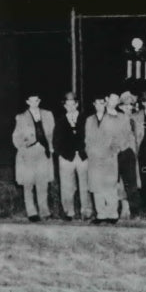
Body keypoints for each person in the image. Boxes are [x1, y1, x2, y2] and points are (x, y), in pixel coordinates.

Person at [11, 92, 54, 222]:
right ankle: (31, 212)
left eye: (37, 100)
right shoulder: (21, 117)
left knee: (42, 183)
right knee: (28, 183)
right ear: (28, 102)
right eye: (32, 101)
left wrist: (51, 146)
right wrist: (24, 146)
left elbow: (52, 133)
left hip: (43, 151)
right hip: (29, 152)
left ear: (39, 101)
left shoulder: (47, 115)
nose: (35, 103)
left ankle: (44, 211)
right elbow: (15, 137)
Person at [52, 91, 92, 221]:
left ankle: (86, 211)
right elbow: (56, 141)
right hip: (66, 158)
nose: (70, 107)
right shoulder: (60, 121)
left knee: (85, 185)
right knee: (67, 186)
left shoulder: (86, 119)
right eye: (67, 105)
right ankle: (68, 212)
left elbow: (90, 138)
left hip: (82, 157)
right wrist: (62, 154)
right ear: (64, 106)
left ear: (77, 104)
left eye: (73, 104)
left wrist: (86, 152)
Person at [84, 91, 122, 223]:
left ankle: (113, 214)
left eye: (102, 103)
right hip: (94, 158)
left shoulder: (112, 119)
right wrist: (90, 152)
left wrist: (113, 151)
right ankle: (101, 214)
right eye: (97, 103)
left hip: (109, 157)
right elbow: (87, 140)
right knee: (96, 186)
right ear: (93, 105)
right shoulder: (89, 120)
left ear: (105, 104)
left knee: (110, 186)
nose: (99, 106)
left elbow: (117, 139)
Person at [112, 91, 140, 219]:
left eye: (131, 105)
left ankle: (133, 209)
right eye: (125, 106)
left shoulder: (136, 119)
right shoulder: (116, 119)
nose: (129, 108)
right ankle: (124, 207)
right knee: (122, 182)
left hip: (135, 154)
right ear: (120, 107)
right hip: (122, 154)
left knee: (133, 183)